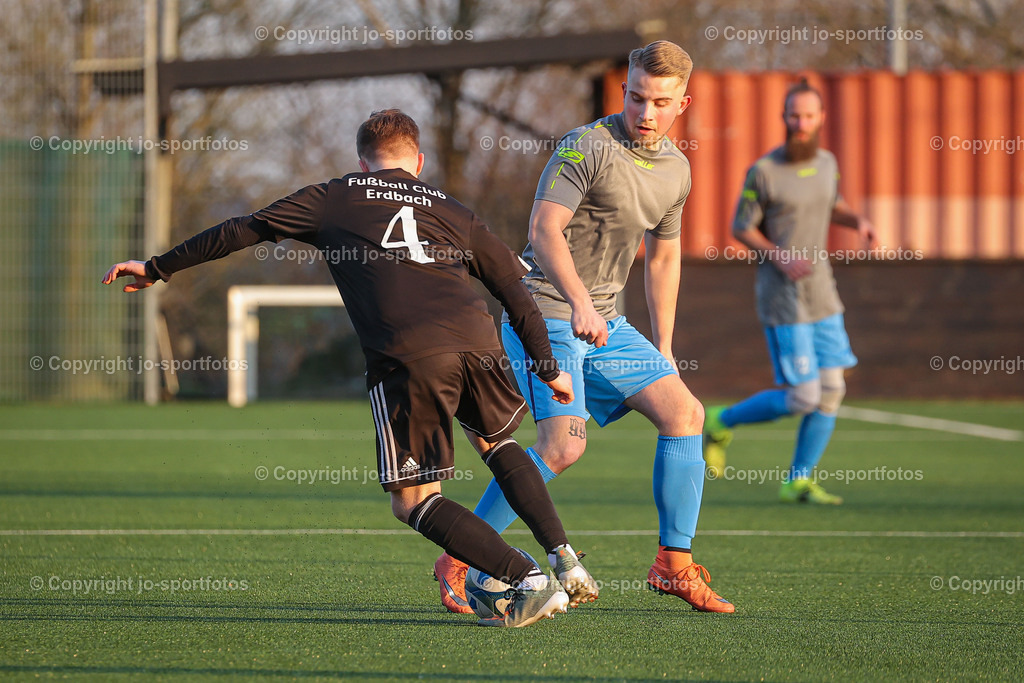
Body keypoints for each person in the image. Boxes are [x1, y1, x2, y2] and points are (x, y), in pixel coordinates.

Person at [102, 108, 598, 628]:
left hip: (411, 354)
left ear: (363, 163)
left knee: (413, 502)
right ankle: (560, 554)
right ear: (419, 161)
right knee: (498, 445)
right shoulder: (455, 210)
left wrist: (158, 267)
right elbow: (514, 291)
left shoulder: (337, 195)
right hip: (478, 343)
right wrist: (547, 366)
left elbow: (241, 229)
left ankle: (527, 580)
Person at [433, 41, 734, 614]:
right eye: (638, 97)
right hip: (543, 309)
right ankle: (459, 554)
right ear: (625, 89)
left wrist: (664, 346)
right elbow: (545, 229)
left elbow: (664, 258)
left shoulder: (677, 169)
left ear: (682, 104)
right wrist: (579, 302)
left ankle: (673, 564)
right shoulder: (584, 147)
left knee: (685, 413)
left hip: (605, 323)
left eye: (661, 102)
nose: (646, 112)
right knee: (563, 446)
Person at [702, 80, 875, 505]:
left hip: (823, 295)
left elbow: (831, 202)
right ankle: (721, 421)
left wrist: (857, 222)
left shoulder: (827, 163)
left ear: (820, 119)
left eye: (809, 115)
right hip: (783, 298)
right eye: (794, 115)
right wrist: (778, 255)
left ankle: (797, 481)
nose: (801, 123)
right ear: (784, 118)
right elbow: (740, 226)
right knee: (803, 396)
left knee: (832, 390)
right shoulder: (763, 171)